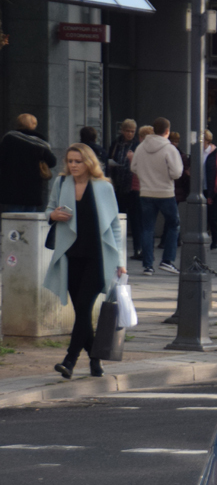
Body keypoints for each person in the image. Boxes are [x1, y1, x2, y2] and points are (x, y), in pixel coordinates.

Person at [42, 143, 126, 379]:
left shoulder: (103, 187)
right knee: (81, 312)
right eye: (69, 161)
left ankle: (69, 361)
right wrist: (53, 215)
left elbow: (114, 226)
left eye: (78, 161)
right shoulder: (61, 183)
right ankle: (95, 360)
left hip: (97, 258)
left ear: (88, 162)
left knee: (85, 307)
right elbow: (48, 210)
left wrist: (120, 260)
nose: (73, 165)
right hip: (70, 257)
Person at [130, 117, 183, 275]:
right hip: (165, 192)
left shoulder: (141, 147)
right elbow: (177, 173)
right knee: (173, 225)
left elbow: (133, 167)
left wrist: (146, 177)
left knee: (147, 229)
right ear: (167, 131)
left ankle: (148, 265)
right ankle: (167, 260)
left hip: (146, 192)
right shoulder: (169, 149)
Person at [0, 114, 57, 213]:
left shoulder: (9, 138)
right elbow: (52, 162)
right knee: (30, 220)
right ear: (33, 124)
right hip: (32, 187)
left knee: (12, 219)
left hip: (12, 186)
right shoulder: (40, 142)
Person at [106, 120, 139, 256]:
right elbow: (109, 158)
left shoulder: (137, 145)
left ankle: (138, 248)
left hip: (132, 186)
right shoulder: (116, 144)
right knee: (118, 217)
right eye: (127, 131)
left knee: (135, 219)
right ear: (122, 130)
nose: (130, 134)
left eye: (132, 131)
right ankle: (118, 247)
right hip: (118, 185)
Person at [170, 131, 191, 204]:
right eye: (173, 141)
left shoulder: (181, 156)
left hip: (174, 186)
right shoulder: (182, 155)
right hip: (177, 187)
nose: (174, 143)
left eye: (176, 142)